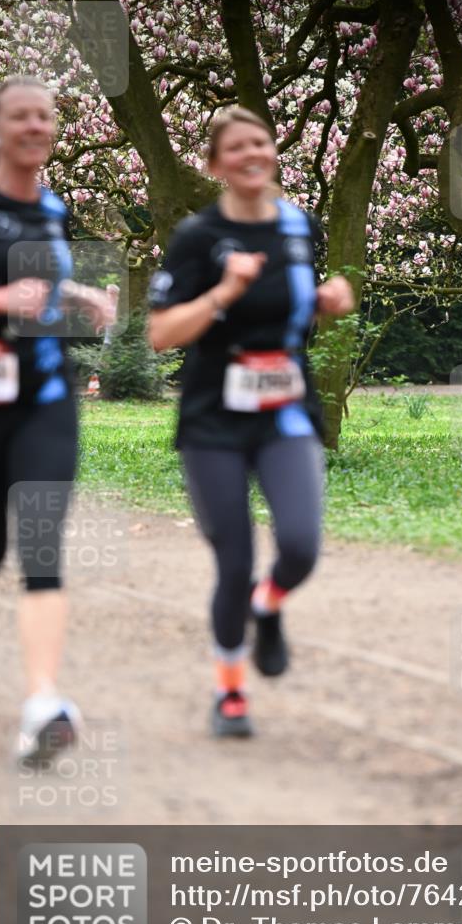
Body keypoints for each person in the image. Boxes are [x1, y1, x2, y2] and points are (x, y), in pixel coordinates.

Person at [147, 107, 354, 738]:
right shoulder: (197, 237)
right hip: (214, 416)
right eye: (235, 147)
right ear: (216, 165)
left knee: (299, 545)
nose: (250, 153)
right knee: (233, 560)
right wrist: (222, 295)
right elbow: (160, 334)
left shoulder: (298, 227)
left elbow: (290, 311)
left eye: (259, 142)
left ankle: (268, 608)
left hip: (285, 408)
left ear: (273, 152)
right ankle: (230, 691)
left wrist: (325, 303)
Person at [0, 76, 114, 763]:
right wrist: (1, 296)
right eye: (20, 116)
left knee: (39, 545)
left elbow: (43, 290)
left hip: (44, 396)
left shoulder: (53, 208)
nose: (35, 125)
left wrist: (78, 292)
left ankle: (42, 706)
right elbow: (10, 290)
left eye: (45, 116)